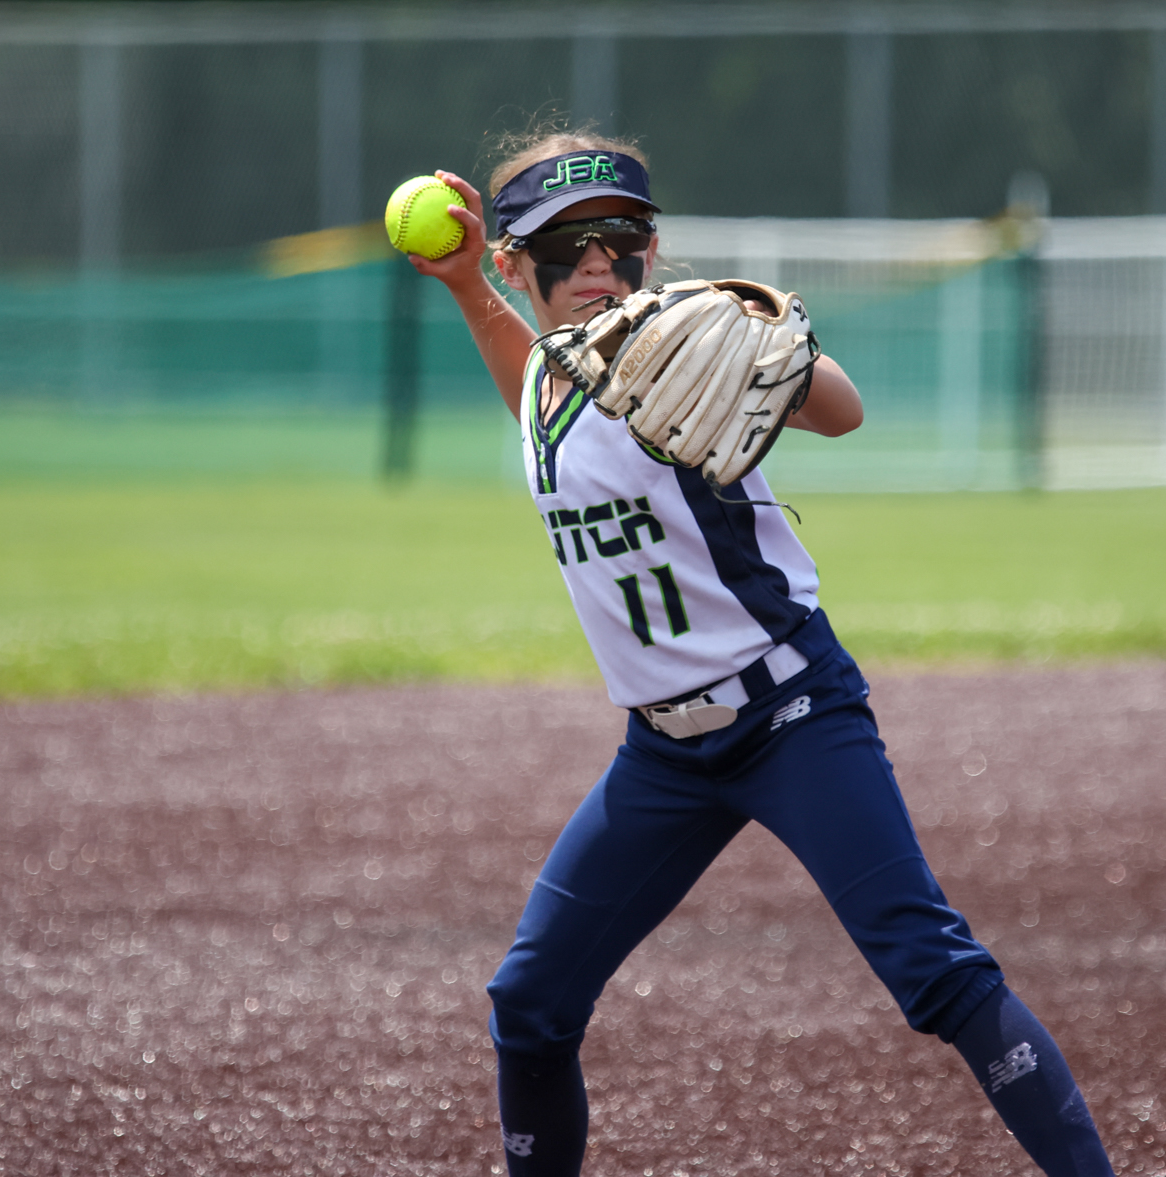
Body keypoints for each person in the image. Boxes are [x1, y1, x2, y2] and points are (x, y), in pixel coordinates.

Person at [406, 127, 1115, 1177]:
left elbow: (843, 412)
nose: (596, 264)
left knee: (934, 970)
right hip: (662, 757)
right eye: (564, 245)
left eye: (619, 238)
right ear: (516, 261)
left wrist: (738, 338)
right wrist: (468, 288)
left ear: (653, 249)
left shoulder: (683, 346)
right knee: (530, 1001)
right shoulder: (547, 384)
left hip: (791, 718)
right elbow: (532, 392)